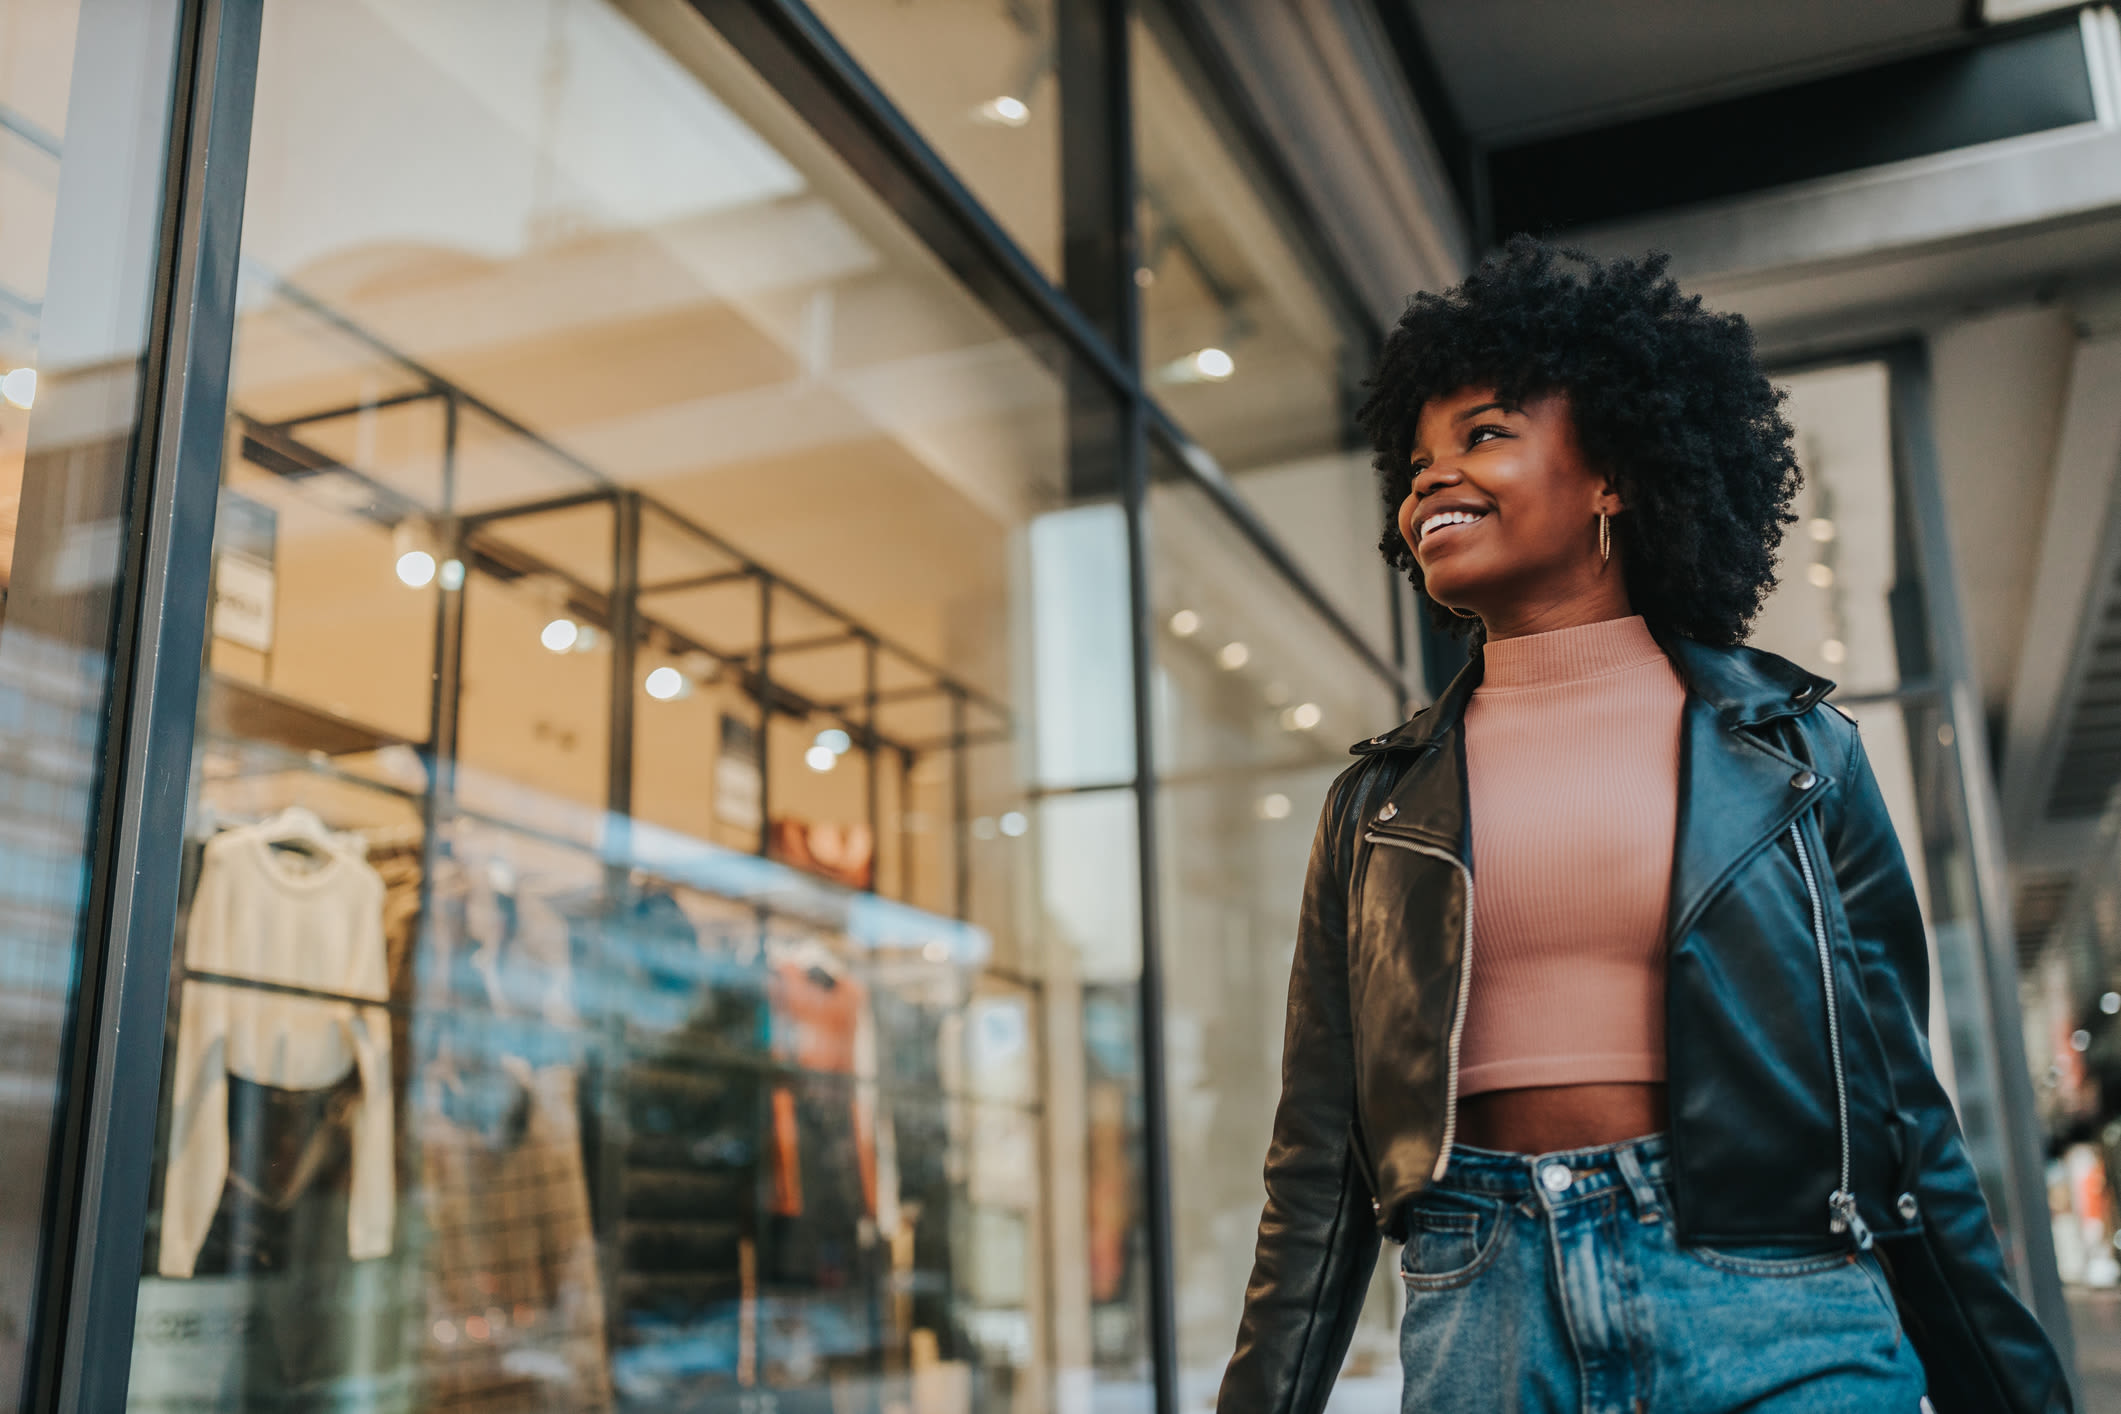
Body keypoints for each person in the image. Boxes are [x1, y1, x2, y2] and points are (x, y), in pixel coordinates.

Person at [1218, 238, 2072, 1414]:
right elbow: (1319, 1159)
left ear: (1612, 472)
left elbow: (1901, 1112)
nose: (1429, 480)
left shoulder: (1797, 755)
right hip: (1485, 1307)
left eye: (1483, 434)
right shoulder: (1374, 807)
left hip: (1775, 1298)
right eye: (1415, 461)